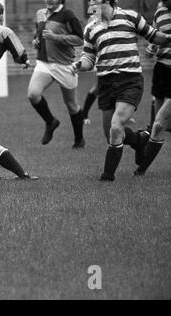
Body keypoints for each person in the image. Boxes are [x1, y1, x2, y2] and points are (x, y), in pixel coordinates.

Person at [73, 0, 171, 181]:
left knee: (116, 126)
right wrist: (81, 64)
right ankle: (139, 141)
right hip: (105, 83)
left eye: (94, 1)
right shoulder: (91, 27)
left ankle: (107, 177)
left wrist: (166, 38)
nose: (91, 4)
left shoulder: (130, 17)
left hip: (130, 80)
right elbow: (89, 57)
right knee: (109, 132)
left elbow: (154, 36)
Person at [27, 0, 85, 148]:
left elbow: (79, 39)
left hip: (64, 65)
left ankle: (79, 140)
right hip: (44, 63)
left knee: (71, 105)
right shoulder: (40, 13)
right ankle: (50, 122)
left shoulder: (67, 14)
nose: (48, 1)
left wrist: (56, 37)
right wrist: (36, 40)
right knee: (33, 94)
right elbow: (38, 34)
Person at [134, 0, 171, 175]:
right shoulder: (160, 12)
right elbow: (155, 37)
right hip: (161, 70)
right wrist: (151, 48)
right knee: (161, 122)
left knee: (158, 124)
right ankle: (142, 144)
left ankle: (141, 170)